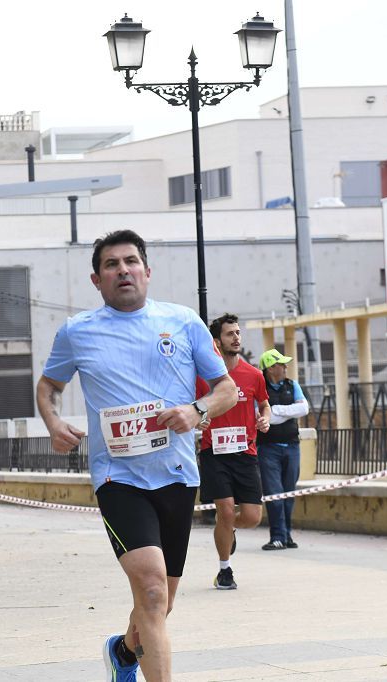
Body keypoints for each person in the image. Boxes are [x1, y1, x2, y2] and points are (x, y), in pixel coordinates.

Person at [37, 230, 236, 682]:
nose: (123, 270)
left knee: (161, 601)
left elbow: (226, 389)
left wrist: (196, 410)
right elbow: (49, 385)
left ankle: (124, 653)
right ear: (96, 279)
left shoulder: (183, 321)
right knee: (150, 590)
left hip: (177, 474)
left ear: (147, 271)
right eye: (111, 264)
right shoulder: (77, 331)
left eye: (131, 262)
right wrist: (53, 423)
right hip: (118, 477)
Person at [196, 313, 270, 590]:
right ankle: (224, 570)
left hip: (245, 453)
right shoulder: (204, 377)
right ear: (217, 342)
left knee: (252, 517)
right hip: (214, 452)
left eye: (238, 332)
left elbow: (264, 404)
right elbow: (194, 406)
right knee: (225, 511)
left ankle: (228, 529)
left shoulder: (254, 375)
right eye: (230, 334)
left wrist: (265, 419)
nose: (236, 338)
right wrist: (199, 418)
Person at [256, 349, 310, 551]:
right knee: (274, 494)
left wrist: (277, 410)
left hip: (292, 447)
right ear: (271, 368)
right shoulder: (259, 387)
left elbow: (303, 409)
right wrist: (287, 413)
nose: (286, 367)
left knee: (288, 494)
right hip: (268, 449)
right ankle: (277, 536)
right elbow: (262, 417)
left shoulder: (292, 385)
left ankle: (286, 535)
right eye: (281, 364)